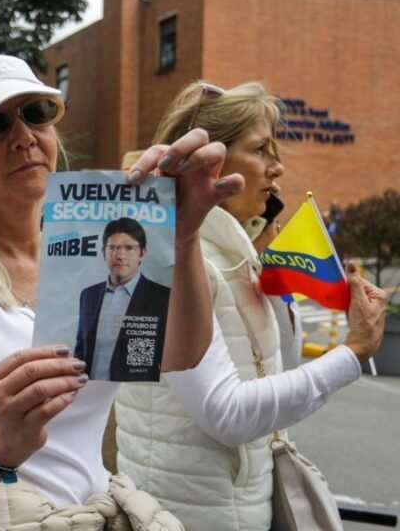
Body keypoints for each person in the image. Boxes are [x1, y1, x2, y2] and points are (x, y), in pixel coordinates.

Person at [0, 53, 244, 523]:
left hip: (93, 515)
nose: (24, 138)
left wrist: (185, 234)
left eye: (36, 113)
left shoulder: (94, 251)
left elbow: (181, 352)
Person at [114, 81, 386, 530]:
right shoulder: (175, 254)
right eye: (261, 149)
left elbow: (279, 368)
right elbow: (228, 415)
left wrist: (272, 275)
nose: (277, 168)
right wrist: (352, 351)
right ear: (208, 161)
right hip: (190, 516)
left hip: (234, 510)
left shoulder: (233, 250)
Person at [75, 217, 170, 381]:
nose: (120, 255)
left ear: (142, 253)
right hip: (89, 393)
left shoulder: (162, 297)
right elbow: (81, 350)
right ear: (103, 253)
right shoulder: (88, 295)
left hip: (133, 396)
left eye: (129, 248)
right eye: (112, 247)